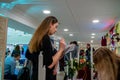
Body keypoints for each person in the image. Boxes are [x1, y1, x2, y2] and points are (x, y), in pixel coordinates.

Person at [25, 16, 66, 80]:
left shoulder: (36, 38)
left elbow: (28, 55)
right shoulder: (45, 38)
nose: (56, 30)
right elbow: (49, 64)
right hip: (44, 76)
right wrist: (61, 49)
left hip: (35, 75)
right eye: (56, 27)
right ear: (50, 24)